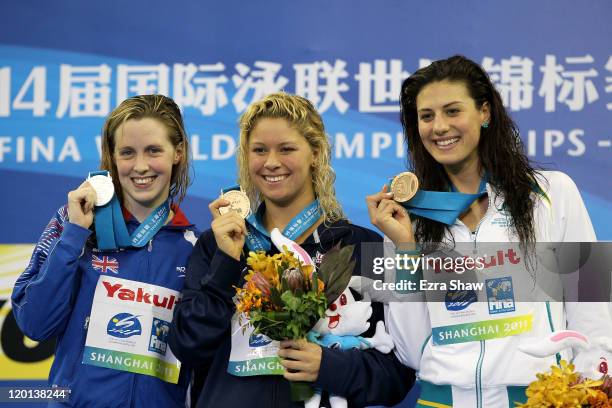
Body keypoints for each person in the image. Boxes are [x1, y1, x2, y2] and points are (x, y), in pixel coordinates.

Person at [366, 55, 612, 407]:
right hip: (441, 401)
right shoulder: (407, 218)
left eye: (453, 111)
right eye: (426, 116)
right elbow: (410, 349)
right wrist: (404, 249)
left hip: (535, 399)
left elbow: (593, 304)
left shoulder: (553, 194)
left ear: (484, 113)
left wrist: (595, 388)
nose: (439, 127)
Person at [168, 92, 414, 407]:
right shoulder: (220, 244)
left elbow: (397, 376)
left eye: (286, 149)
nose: (271, 163)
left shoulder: (361, 247)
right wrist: (225, 264)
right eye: (259, 150)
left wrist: (329, 366)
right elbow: (187, 346)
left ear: (315, 152)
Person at [12, 94, 199, 407]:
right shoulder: (75, 223)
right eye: (127, 152)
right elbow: (34, 324)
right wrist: (74, 235)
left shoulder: (194, 246)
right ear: (112, 157)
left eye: (153, 150)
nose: (140, 166)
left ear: (177, 153)